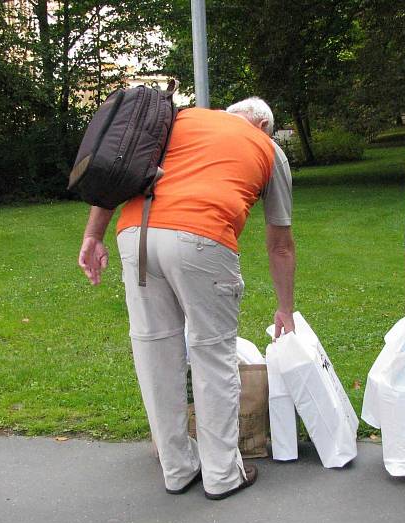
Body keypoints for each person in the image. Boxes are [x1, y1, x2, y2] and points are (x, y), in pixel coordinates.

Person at [78, 97, 296, 500]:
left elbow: (119, 169)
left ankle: (176, 468)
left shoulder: (176, 121)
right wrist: (285, 307)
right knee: (212, 354)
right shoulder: (267, 148)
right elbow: (279, 243)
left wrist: (93, 236)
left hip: (135, 234)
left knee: (155, 353)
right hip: (202, 236)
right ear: (263, 124)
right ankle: (222, 474)